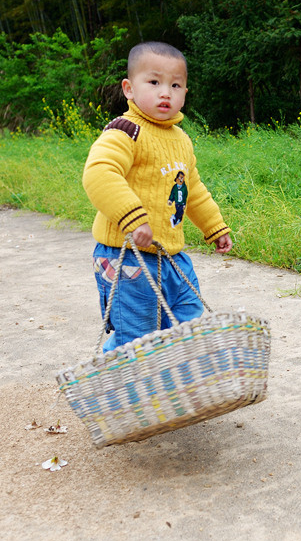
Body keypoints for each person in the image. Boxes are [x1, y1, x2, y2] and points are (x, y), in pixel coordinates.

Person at [82, 41, 232, 351]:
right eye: (154, 82)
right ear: (129, 89)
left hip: (172, 257)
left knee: (187, 323)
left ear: (185, 93)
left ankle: (172, 374)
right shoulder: (125, 131)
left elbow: (192, 190)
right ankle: (111, 374)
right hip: (126, 257)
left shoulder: (181, 140)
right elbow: (99, 173)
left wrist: (214, 226)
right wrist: (133, 218)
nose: (165, 93)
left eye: (175, 85)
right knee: (137, 338)